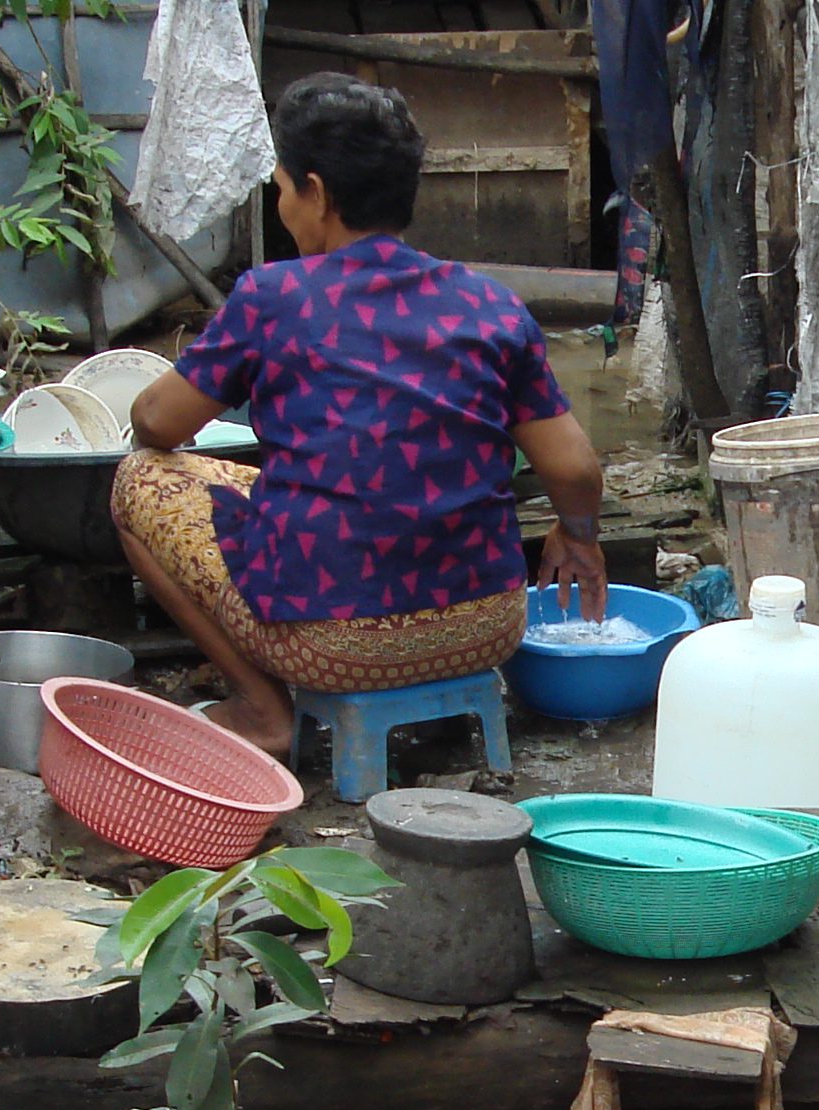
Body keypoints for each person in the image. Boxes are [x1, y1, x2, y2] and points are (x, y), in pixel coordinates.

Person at [118, 74, 609, 757]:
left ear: (315, 194)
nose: (283, 206)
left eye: (284, 189)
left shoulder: (272, 297)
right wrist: (578, 535)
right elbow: (574, 467)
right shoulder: (489, 305)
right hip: (487, 629)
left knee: (140, 480)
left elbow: (156, 425)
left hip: (329, 643)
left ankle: (263, 712)